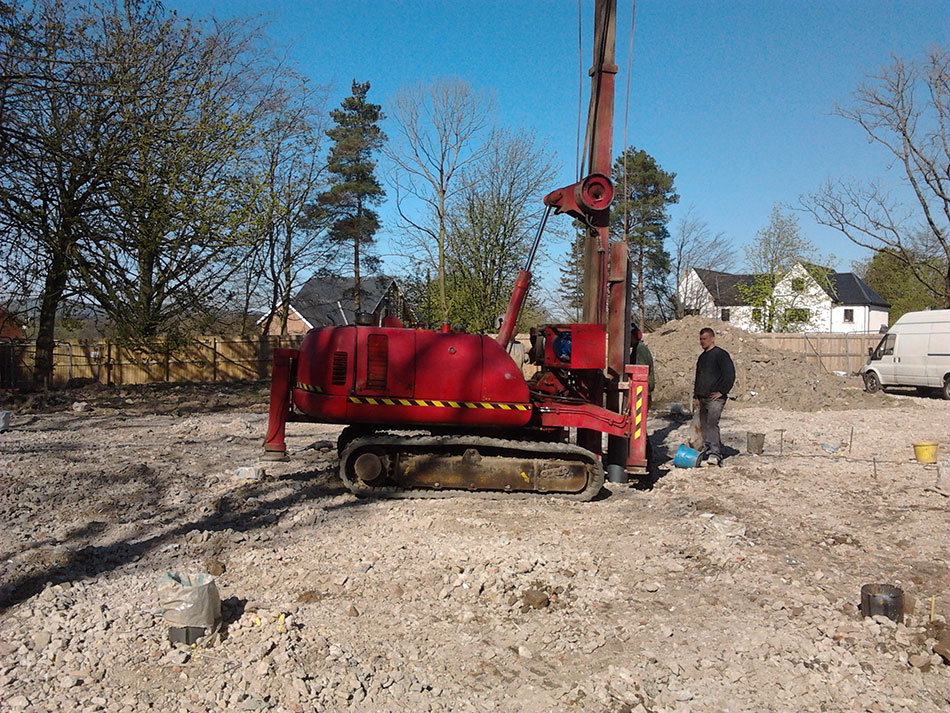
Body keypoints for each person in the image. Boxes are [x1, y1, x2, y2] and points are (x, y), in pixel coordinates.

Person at [693, 327, 735, 467]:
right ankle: (707, 449)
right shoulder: (702, 357)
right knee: (704, 425)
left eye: (704, 339)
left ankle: (715, 453)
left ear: (712, 338)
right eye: (700, 339)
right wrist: (696, 396)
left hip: (715, 398)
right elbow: (698, 377)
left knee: (712, 424)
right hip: (703, 397)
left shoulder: (721, 355)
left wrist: (722, 391)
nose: (702, 342)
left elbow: (729, 375)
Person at [629, 322, 655, 394]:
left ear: (632, 336)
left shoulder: (640, 349)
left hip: (641, 390)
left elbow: (640, 372)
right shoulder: (637, 348)